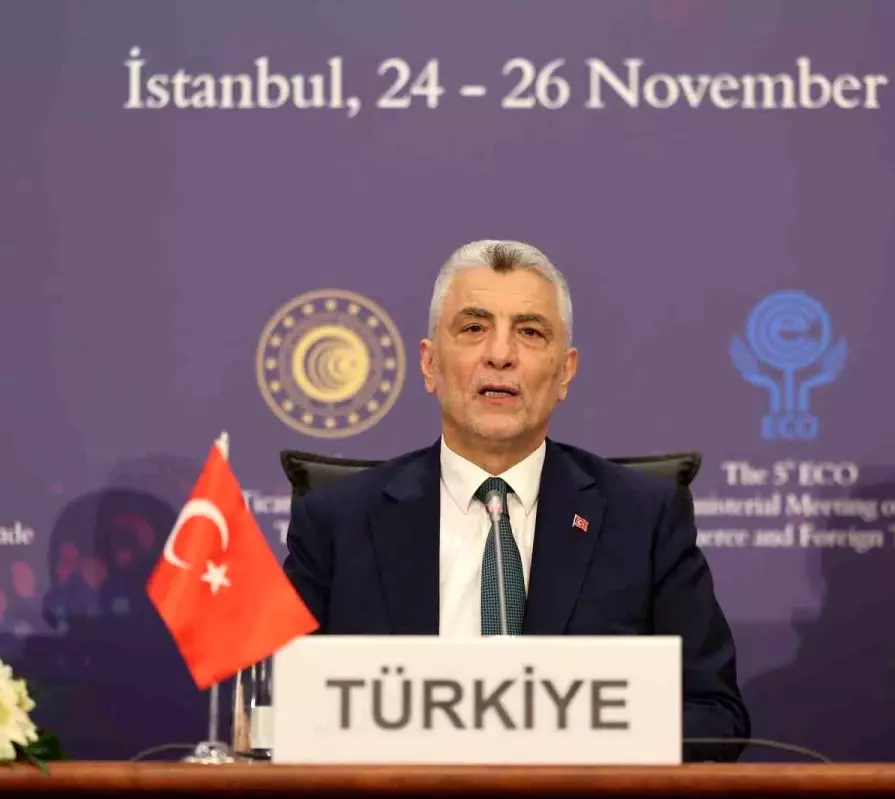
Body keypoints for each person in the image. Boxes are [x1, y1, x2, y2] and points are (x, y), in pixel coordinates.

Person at [282, 239, 750, 761]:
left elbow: (714, 714)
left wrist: (576, 747)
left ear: (565, 371)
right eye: (473, 328)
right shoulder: (336, 522)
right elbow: (283, 709)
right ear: (430, 364)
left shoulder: (644, 520)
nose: (500, 355)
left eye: (529, 332)